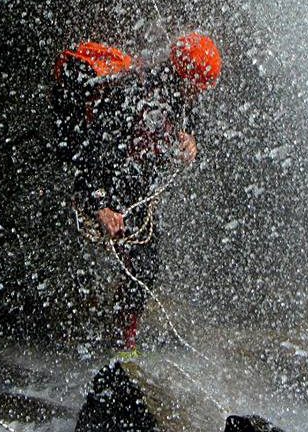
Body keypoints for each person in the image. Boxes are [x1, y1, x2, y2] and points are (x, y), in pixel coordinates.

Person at [53, 32, 222, 352]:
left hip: (126, 168)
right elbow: (91, 146)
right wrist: (100, 204)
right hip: (104, 168)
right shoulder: (142, 99)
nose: (201, 96)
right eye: (199, 89)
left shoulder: (176, 89)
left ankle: (120, 336)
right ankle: (116, 341)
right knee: (142, 261)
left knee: (145, 260)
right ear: (187, 78)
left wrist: (192, 140)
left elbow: (193, 119)